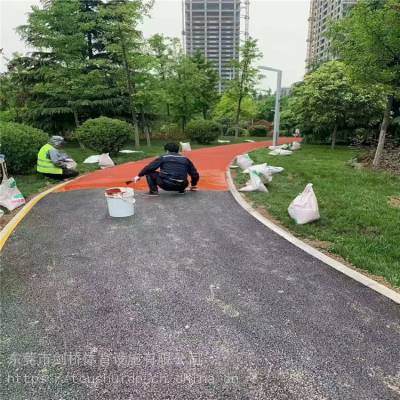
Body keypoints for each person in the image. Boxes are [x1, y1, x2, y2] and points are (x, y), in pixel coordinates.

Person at [128, 143, 199, 196]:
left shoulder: (163, 157)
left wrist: (139, 176)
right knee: (181, 175)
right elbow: (194, 174)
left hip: (166, 185)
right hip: (183, 185)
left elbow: (149, 168)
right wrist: (193, 185)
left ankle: (153, 192)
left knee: (149, 172)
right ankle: (181, 191)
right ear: (178, 151)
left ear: (167, 151)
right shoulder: (185, 159)